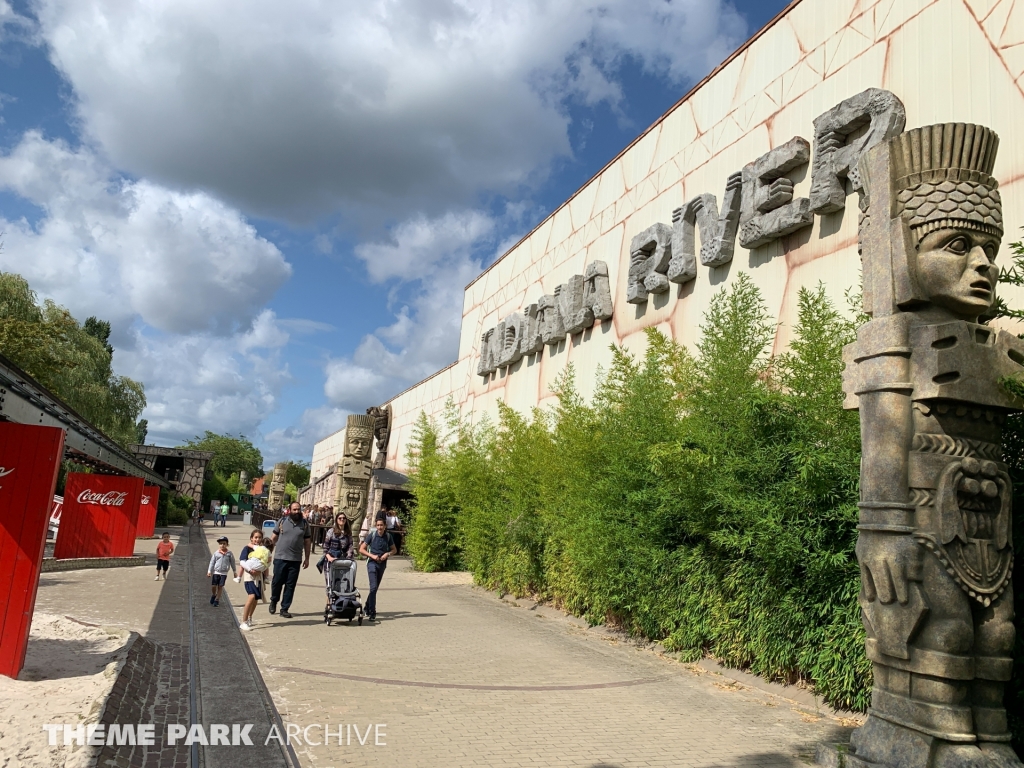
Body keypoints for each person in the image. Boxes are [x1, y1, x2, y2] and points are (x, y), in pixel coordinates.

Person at [269, 502, 312, 618]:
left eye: (298, 509)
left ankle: (284, 608)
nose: (297, 512)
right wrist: (267, 553)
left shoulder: (305, 524)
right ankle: (274, 600)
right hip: (280, 558)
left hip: (295, 560)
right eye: (294, 510)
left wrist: (307, 558)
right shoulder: (282, 521)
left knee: (290, 585)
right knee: (277, 582)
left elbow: (307, 542)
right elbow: (273, 538)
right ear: (290, 510)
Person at [358, 515, 396, 622]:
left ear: (385, 526)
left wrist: (387, 554)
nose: (379, 527)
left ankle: (366, 607)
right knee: (373, 587)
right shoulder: (372, 535)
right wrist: (372, 556)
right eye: (378, 525)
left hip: (382, 564)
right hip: (371, 563)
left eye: (381, 525)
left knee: (374, 589)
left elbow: (394, 550)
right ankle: (372, 612)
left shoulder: (388, 537)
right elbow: (361, 549)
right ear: (376, 526)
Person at [322, 515, 354, 616]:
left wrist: (349, 558)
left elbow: (350, 546)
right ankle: (328, 606)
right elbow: (325, 547)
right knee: (330, 584)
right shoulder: (331, 531)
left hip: (343, 561)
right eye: (340, 518)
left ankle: (341, 604)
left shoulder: (348, 533)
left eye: (344, 518)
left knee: (342, 583)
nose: (342, 520)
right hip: (331, 560)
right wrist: (329, 557)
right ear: (336, 520)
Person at [236, 529, 267, 631]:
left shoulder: (263, 549)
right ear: (251, 538)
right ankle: (243, 622)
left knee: (255, 599)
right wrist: (250, 570)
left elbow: (266, 562)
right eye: (255, 537)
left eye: (259, 537)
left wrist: (262, 571)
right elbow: (242, 562)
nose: (257, 539)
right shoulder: (247, 549)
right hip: (249, 577)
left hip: (259, 577)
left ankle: (250, 617)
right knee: (251, 596)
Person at [207, 536, 236, 607]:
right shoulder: (216, 553)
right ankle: (214, 595)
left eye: (224, 543)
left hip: (224, 573)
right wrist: (209, 571)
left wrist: (234, 571)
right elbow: (212, 562)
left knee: (220, 586)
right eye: (221, 544)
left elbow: (232, 562)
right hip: (216, 572)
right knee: (214, 586)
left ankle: (217, 600)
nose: (222, 545)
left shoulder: (229, 554)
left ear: (227, 544)